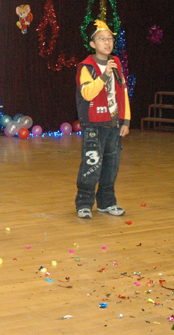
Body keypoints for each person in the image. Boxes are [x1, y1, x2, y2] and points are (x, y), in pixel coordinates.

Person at [74, 19, 130, 219]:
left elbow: (122, 92)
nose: (107, 42)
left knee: (111, 165)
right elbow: (88, 93)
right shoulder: (86, 67)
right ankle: (84, 203)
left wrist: (125, 120)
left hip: (114, 124)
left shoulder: (116, 63)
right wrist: (104, 75)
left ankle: (107, 202)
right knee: (92, 164)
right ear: (92, 44)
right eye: (102, 39)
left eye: (110, 39)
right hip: (94, 125)